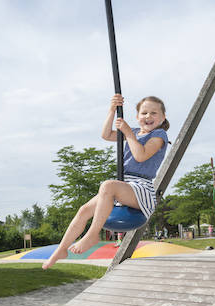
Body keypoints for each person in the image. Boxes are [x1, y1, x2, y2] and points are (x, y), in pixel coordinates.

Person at [42, 94, 169, 269]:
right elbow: (106, 134)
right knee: (84, 210)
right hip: (125, 184)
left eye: (154, 113)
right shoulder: (133, 132)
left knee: (107, 185)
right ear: (138, 117)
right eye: (144, 112)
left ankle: (93, 234)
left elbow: (140, 156)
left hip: (141, 187)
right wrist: (112, 110)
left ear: (162, 118)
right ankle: (61, 249)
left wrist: (128, 133)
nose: (148, 117)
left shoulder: (159, 135)